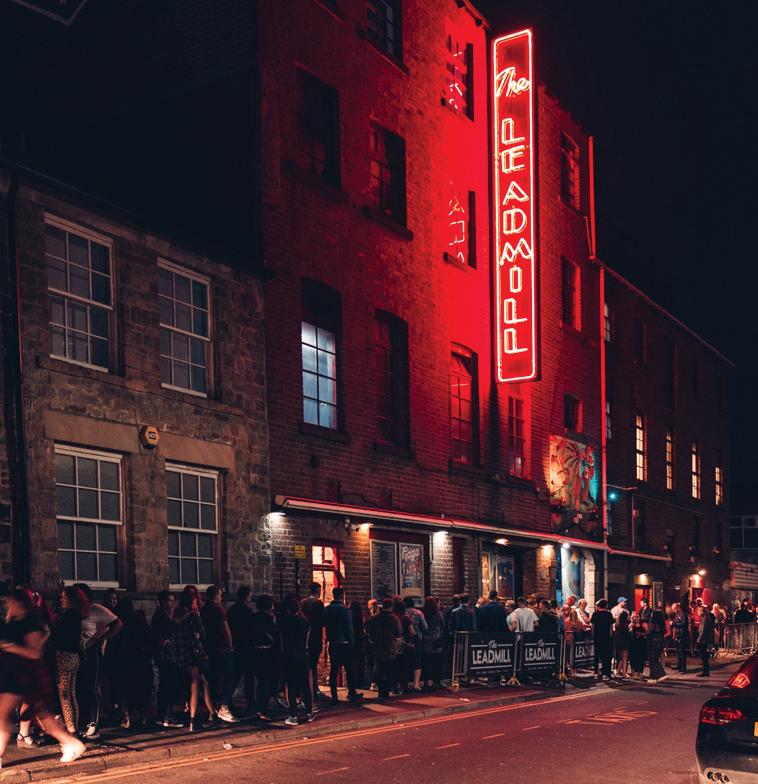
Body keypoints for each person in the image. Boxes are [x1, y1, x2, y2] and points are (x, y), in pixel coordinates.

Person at [0, 588, 85, 764]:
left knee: (6, 715)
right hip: (15, 675)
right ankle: (71, 743)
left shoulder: (31, 623)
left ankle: (71, 742)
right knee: (42, 716)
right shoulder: (14, 621)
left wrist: (9, 647)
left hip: (24, 676)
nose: (6, 605)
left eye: (9, 602)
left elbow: (34, 652)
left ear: (19, 603)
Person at [74, 583, 123, 739]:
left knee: (92, 687)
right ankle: (82, 721)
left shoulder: (96, 609)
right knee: (80, 687)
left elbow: (117, 623)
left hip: (92, 651)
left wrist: (103, 638)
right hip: (77, 652)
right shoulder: (75, 610)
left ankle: (93, 724)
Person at [173, 587, 215, 732]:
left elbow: (176, 627)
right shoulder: (194, 615)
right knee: (195, 685)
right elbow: (203, 633)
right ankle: (193, 719)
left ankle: (212, 714)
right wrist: (195, 615)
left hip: (182, 653)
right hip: (193, 653)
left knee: (204, 683)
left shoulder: (178, 614)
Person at [49, 586, 88, 735]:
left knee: (65, 696)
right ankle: (74, 727)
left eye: (64, 597)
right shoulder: (76, 615)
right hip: (73, 657)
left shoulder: (69, 616)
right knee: (71, 694)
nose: (62, 600)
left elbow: (57, 635)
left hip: (64, 657)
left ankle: (71, 730)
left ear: (71, 599)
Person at [112, 598, 153, 728]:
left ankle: (126, 717)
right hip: (140, 660)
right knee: (141, 690)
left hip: (125, 660)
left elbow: (115, 642)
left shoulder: (119, 623)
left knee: (125, 690)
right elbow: (149, 639)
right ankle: (143, 717)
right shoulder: (139, 622)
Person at [200, 586, 238, 723]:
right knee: (230, 677)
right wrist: (230, 645)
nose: (221, 598)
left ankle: (215, 709)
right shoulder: (218, 610)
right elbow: (225, 630)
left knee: (214, 680)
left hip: (210, 648)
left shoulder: (203, 610)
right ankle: (224, 706)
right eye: (220, 595)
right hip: (222, 648)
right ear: (215, 596)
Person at [279, 597, 314, 726]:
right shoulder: (304, 622)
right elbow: (307, 641)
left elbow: (280, 641)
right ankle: (309, 713)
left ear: (287, 609)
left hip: (288, 656)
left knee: (291, 686)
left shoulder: (282, 622)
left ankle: (293, 715)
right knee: (305, 685)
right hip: (302, 655)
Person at [324, 587, 362, 704]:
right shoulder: (345, 610)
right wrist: (352, 642)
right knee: (349, 670)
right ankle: (352, 693)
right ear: (342, 596)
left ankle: (334, 696)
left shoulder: (327, 609)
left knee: (334, 670)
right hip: (345, 643)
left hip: (333, 643)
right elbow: (349, 628)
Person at [151, 590, 183, 728]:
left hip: (169, 655)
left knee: (167, 685)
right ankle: (166, 717)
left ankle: (163, 716)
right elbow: (171, 629)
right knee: (167, 686)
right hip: (165, 656)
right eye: (169, 601)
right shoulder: (160, 616)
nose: (171, 604)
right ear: (162, 602)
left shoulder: (165, 615)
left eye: (173, 601)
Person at [227, 586, 255, 718]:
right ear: (246, 596)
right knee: (248, 677)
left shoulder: (232, 610)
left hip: (235, 646)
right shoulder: (247, 611)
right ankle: (251, 703)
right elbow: (250, 630)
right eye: (250, 595)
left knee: (235, 677)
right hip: (246, 647)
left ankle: (227, 701)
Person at [366, 598, 402, 702]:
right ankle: (386, 693)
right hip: (390, 647)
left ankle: (381, 692)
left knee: (380, 670)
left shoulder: (375, 618)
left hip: (378, 647)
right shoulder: (394, 618)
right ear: (391, 606)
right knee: (389, 671)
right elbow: (399, 633)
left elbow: (369, 631)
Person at [249, 594, 278, 720]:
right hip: (267, 652)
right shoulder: (270, 619)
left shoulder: (252, 618)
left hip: (255, 652)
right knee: (265, 682)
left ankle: (257, 708)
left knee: (259, 682)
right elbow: (275, 636)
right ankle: (263, 710)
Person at [300, 583, 326, 701]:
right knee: (313, 664)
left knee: (306, 664)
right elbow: (323, 621)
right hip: (315, 636)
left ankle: (306, 688)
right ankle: (314, 688)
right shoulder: (318, 603)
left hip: (304, 637)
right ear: (318, 590)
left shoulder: (303, 602)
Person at [404, 597, 428, 692]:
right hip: (417, 639)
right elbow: (425, 627)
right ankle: (416, 684)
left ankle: (404, 685)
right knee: (417, 661)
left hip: (404, 640)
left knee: (405, 662)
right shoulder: (418, 613)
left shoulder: (402, 613)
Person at [421, 596, 444, 689]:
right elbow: (443, 625)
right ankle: (436, 682)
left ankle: (426, 683)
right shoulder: (438, 614)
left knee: (426, 663)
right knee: (437, 663)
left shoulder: (423, 614)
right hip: (436, 640)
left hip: (426, 640)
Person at [590, 599, 614, 679]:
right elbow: (611, 627)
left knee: (597, 655)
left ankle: (596, 673)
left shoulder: (595, 614)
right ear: (606, 606)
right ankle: (605, 673)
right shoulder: (609, 614)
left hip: (597, 637)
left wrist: (593, 635)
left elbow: (593, 626)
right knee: (606, 656)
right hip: (606, 637)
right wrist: (610, 636)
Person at [349, 601, 367, 690]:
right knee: (360, 663)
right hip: (359, 641)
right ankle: (359, 683)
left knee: (352, 664)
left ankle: (353, 683)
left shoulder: (350, 617)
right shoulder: (360, 617)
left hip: (351, 642)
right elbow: (362, 630)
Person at [647, 605, 667, 681]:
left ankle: (657, 675)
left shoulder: (652, 623)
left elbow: (648, 632)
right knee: (656, 658)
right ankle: (658, 675)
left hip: (653, 641)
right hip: (660, 641)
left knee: (652, 659)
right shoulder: (662, 623)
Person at [613, 604, 631, 678]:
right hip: (625, 642)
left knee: (621, 658)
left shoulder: (617, 624)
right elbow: (627, 634)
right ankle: (624, 674)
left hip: (618, 642)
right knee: (625, 659)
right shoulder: (626, 625)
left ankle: (618, 672)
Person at [697, 605, 715, 677]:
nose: (698, 613)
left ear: (702, 612)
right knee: (704, 656)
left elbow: (703, 630)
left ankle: (705, 671)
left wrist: (700, 638)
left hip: (703, 640)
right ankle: (705, 671)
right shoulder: (706, 618)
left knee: (703, 656)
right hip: (705, 639)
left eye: (699, 611)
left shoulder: (705, 619)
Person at [628, 611, 647, 680]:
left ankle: (641, 673)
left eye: (638, 617)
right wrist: (630, 628)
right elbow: (629, 634)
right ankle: (636, 673)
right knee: (635, 658)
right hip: (633, 643)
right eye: (635, 617)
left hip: (641, 643)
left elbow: (647, 633)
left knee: (641, 658)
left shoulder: (643, 624)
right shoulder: (631, 625)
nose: (636, 618)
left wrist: (642, 634)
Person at [671, 602, 689, 674]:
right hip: (678, 635)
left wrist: (673, 624)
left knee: (682, 652)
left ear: (678, 608)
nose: (674, 611)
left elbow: (684, 624)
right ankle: (679, 665)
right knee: (678, 652)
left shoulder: (683, 615)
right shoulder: (677, 615)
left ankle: (683, 668)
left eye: (674, 609)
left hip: (682, 635)